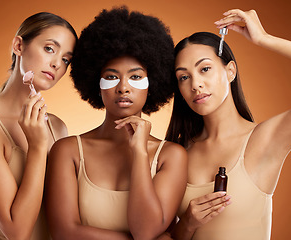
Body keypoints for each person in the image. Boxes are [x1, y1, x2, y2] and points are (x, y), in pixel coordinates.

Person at [45, 6, 187, 240]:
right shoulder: (68, 151)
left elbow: (146, 231)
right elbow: (64, 233)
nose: (123, 87)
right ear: (95, 84)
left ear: (153, 84)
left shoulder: (171, 156)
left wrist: (140, 153)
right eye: (111, 77)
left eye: (136, 77)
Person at [165, 9, 291, 240]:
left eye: (204, 69)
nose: (196, 84)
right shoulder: (177, 151)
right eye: (184, 77)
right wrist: (187, 223)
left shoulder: (264, 140)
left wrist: (264, 39)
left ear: (230, 71)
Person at [0, 12, 77, 240]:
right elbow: (17, 232)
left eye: (65, 60)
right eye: (50, 49)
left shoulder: (56, 126)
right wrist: (38, 147)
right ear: (18, 45)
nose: (56, 64)